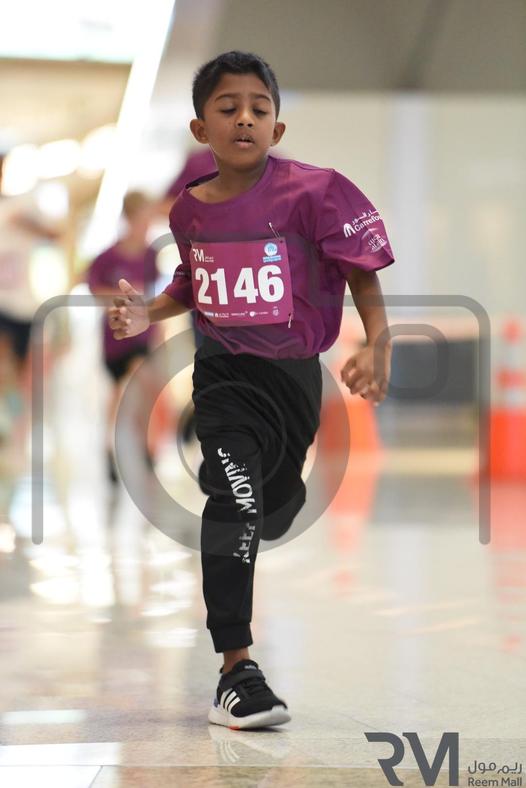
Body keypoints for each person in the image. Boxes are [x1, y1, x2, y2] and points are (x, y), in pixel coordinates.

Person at [109, 51, 394, 730]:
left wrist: (378, 343)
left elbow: (361, 272)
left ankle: (272, 506)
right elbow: (191, 282)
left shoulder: (316, 192)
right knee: (233, 499)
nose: (244, 118)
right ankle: (236, 669)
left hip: (294, 381)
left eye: (258, 109)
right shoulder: (190, 210)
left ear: (277, 128)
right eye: (228, 107)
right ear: (200, 129)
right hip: (224, 378)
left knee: (276, 505)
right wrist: (149, 312)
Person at [88, 191, 159, 482]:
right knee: (121, 391)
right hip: (116, 339)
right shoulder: (107, 258)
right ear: (129, 219)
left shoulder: (151, 257)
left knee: (142, 386)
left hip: (143, 337)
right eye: (141, 220)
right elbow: (94, 292)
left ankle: (145, 447)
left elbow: (155, 295)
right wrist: (123, 297)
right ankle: (111, 447)